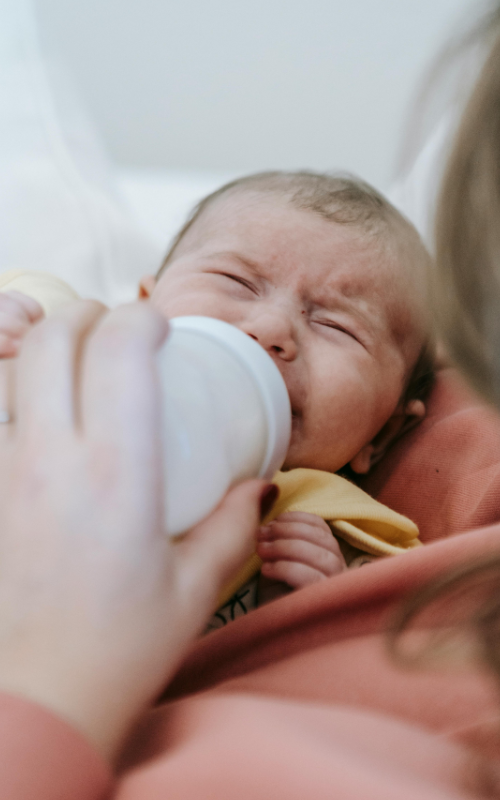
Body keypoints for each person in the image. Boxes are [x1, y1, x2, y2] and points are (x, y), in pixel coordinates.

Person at [0, 172, 433, 619]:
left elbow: (372, 648)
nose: (270, 329)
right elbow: (36, 300)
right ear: (144, 305)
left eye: (336, 326)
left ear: (382, 435)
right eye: (236, 280)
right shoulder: (73, 350)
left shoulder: (333, 528)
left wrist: (303, 607)